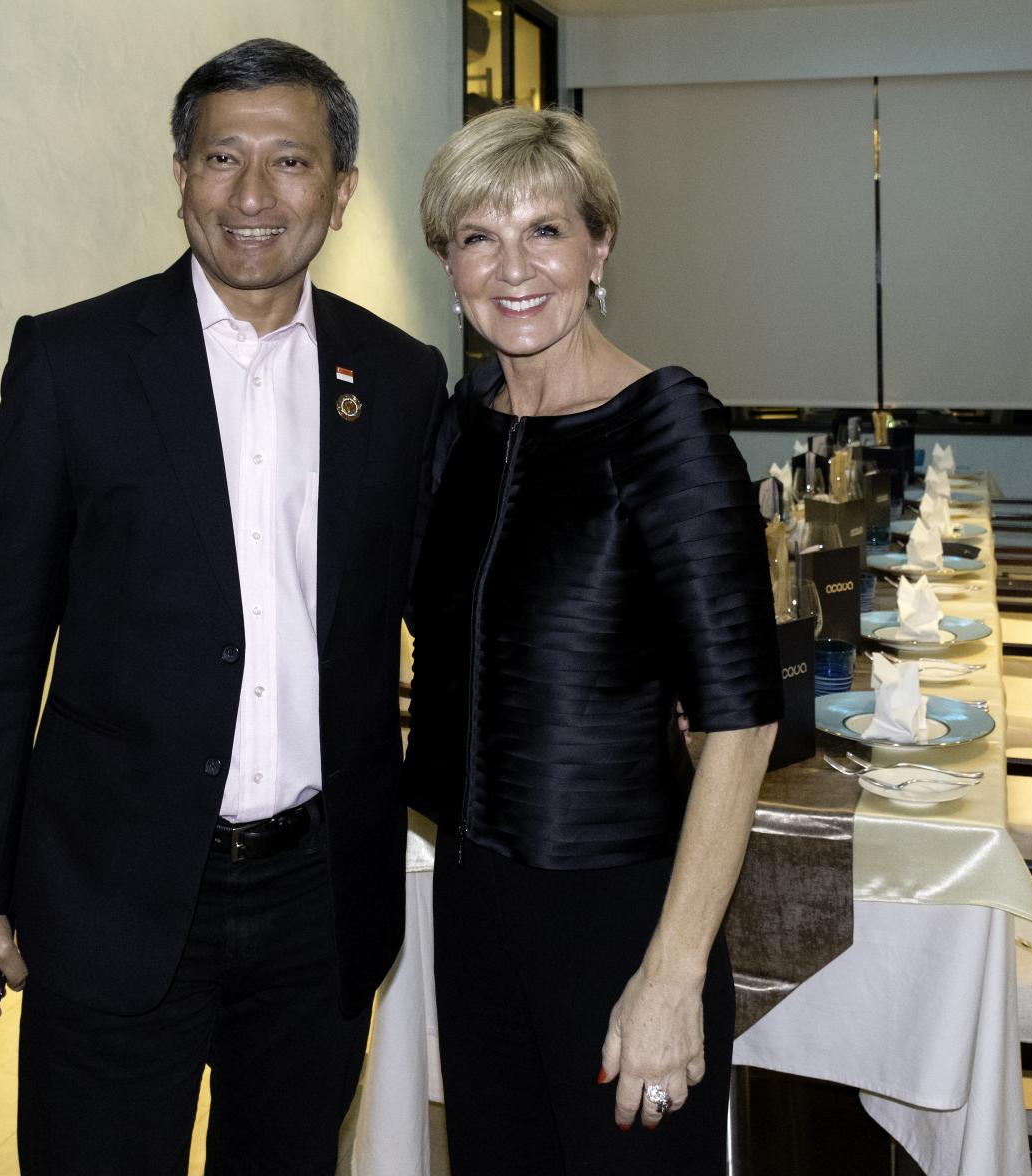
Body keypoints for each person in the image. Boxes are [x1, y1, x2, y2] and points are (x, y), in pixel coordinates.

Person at [0, 38, 446, 1175]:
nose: (253, 197)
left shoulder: (401, 380)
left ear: (341, 189)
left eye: (290, 163)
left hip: (321, 902)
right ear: (179, 173)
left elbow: (441, 614)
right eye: (221, 157)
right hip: (111, 895)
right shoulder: (74, 363)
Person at [405, 106, 782, 1175]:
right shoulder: (460, 427)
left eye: (546, 231)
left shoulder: (667, 428)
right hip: (473, 901)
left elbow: (741, 725)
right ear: (449, 264)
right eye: (479, 236)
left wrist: (671, 976)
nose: (512, 268)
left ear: (599, 247)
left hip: (622, 913)